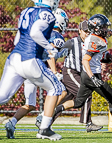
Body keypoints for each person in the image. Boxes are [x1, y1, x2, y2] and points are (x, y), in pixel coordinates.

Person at [45, 14, 112, 135]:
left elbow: (93, 57)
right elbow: (85, 60)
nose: (106, 30)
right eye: (103, 27)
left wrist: (102, 58)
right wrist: (92, 77)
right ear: (96, 28)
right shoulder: (95, 40)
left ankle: (55, 111)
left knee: (78, 102)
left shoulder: (94, 38)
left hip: (87, 75)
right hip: (91, 76)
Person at [0, 0, 65, 140]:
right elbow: (35, 32)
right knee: (56, 88)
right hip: (29, 60)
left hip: (14, 58)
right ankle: (45, 129)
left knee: (3, 97)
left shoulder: (26, 12)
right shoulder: (47, 14)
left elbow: (17, 40)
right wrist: (49, 47)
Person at [35, 20, 103, 132]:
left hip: (79, 75)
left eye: (89, 32)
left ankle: (45, 124)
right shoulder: (72, 42)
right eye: (85, 31)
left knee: (64, 100)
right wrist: (53, 70)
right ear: (80, 31)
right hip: (70, 72)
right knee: (86, 93)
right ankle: (88, 123)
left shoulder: (91, 44)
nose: (87, 34)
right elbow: (53, 52)